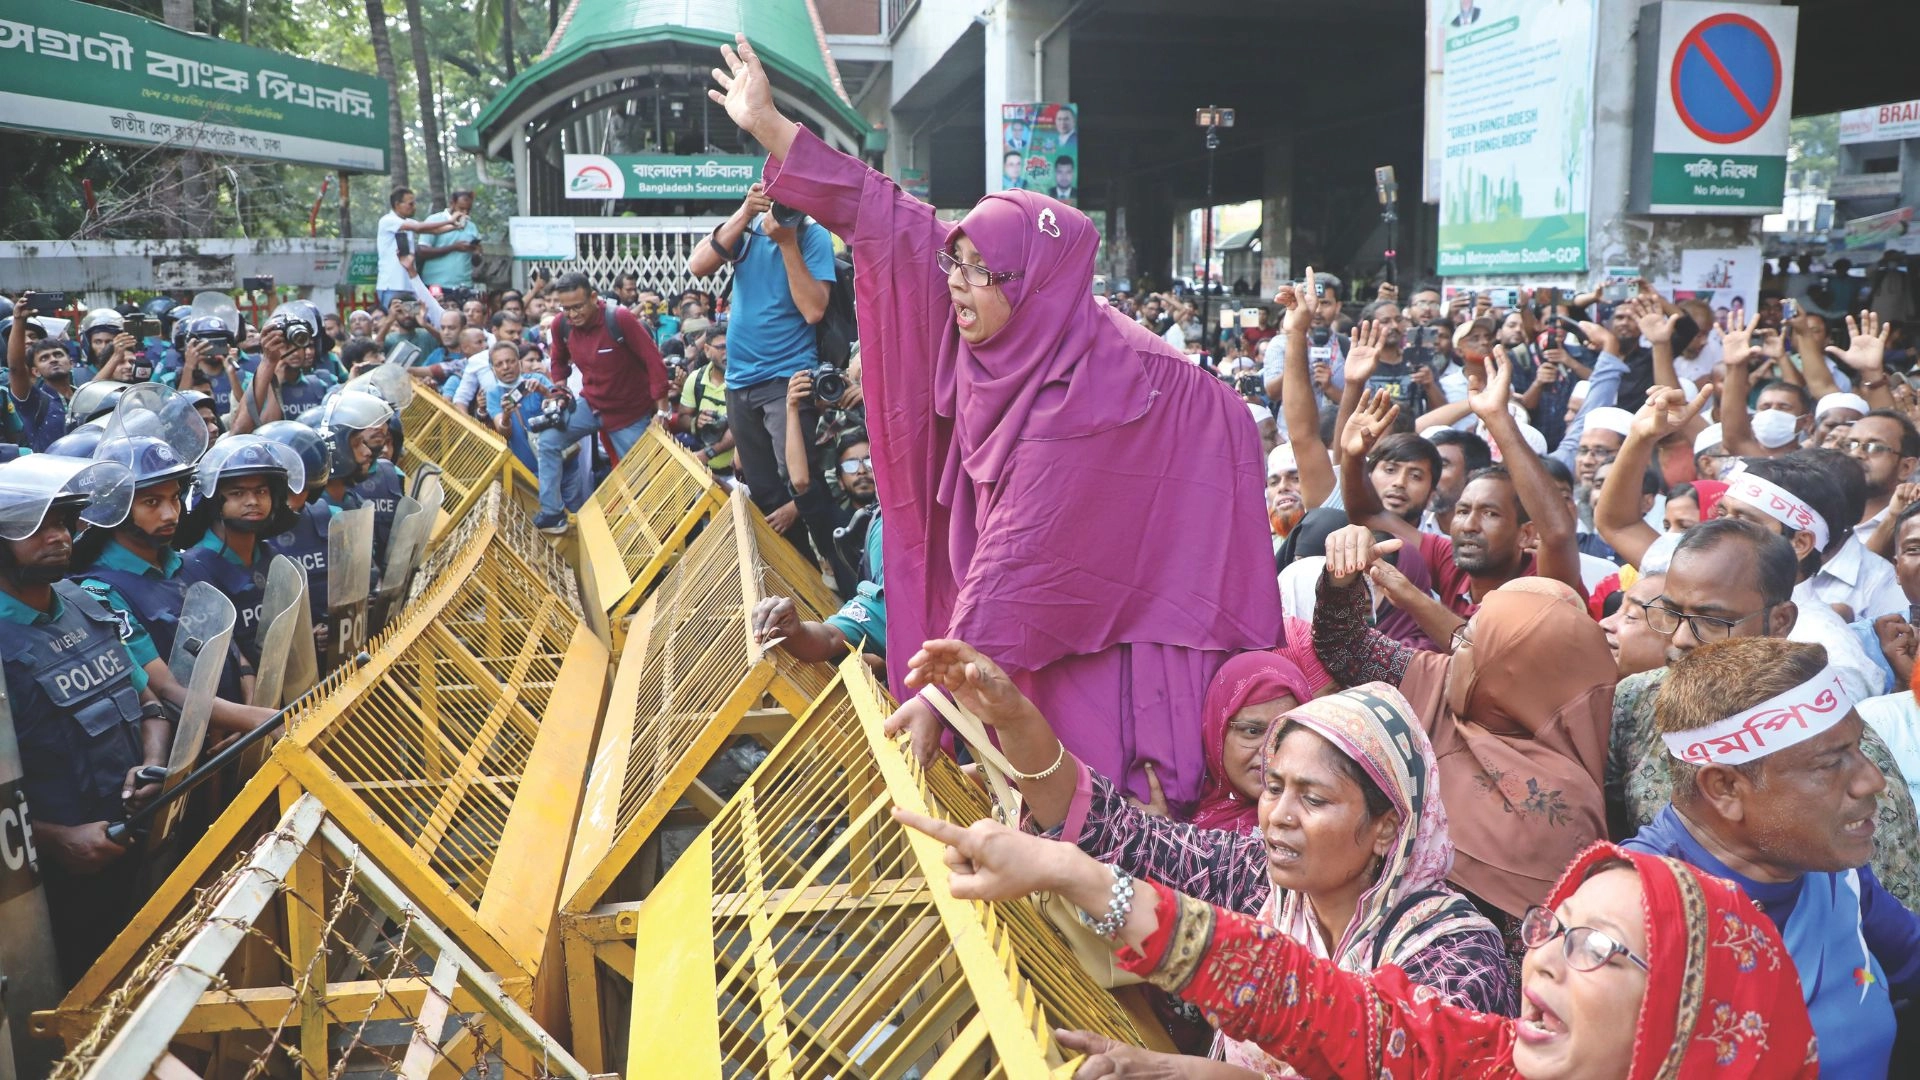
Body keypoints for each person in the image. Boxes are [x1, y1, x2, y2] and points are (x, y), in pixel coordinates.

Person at [712, 35, 1281, 813]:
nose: (958, 286)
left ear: (1040, 284)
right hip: (1017, 617)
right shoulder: (1000, 323)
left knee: (1092, 791)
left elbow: (1020, 559)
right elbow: (892, 220)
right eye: (958, 265)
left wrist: (945, 694)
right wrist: (771, 127)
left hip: (1113, 609)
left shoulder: (1084, 398)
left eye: (985, 273)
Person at [901, 641, 1513, 1061]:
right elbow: (1120, 833)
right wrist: (1014, 718)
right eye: (1274, 788)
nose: (1280, 816)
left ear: (1387, 827)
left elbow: (1366, 1050)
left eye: (1315, 799)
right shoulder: (1259, 877)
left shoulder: (1455, 954)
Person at [890, 813, 1817, 1079]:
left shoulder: (1447, 942)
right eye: (1554, 930)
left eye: (1598, 948)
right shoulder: (1483, 1061)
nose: (1541, 960)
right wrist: (1071, 871)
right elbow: (1307, 998)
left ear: (1691, 1023)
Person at [1626, 637, 1918, 1077]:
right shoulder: (1633, 920)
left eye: (1858, 749)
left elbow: (1910, 957)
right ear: (1724, 789)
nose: (1872, 781)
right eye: (1829, 764)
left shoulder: (1835, 872)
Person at [1603, 518, 1920, 908]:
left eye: (1712, 621)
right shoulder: (1637, 697)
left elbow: (1888, 928)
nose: (1681, 639)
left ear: (1780, 621)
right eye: (1671, 614)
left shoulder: (1843, 755)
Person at [1314, 525, 1614, 929]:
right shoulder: (1438, 685)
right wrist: (1342, 575)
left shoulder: (1567, 812)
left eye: (1471, 644)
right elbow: (1346, 647)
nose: (1453, 653)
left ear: (1512, 677)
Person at [0, 454, 172, 985]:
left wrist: (150, 764)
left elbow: (150, 706)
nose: (57, 536)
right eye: (35, 526)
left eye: (62, 521)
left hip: (136, 854)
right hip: (48, 896)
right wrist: (58, 839)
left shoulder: (85, 602)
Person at [686, 181, 843, 568]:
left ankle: (837, 567)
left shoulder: (812, 235)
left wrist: (787, 241)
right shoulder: (749, 228)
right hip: (740, 382)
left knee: (799, 481)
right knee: (763, 487)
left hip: (788, 378)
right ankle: (797, 570)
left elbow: (813, 311)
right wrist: (745, 212)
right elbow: (698, 265)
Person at [533, 272, 670, 534]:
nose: (572, 315)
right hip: (591, 403)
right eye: (566, 308)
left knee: (641, 477)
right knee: (548, 440)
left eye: (577, 307)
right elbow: (558, 361)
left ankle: (643, 537)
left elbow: (654, 363)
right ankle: (552, 513)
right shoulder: (560, 324)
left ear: (594, 298)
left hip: (629, 412)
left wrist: (662, 411)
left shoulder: (619, 319)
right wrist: (559, 389)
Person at [176, 436, 303, 665]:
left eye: (261, 492)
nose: (252, 501)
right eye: (237, 493)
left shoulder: (272, 557)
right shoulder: (193, 567)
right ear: (214, 502)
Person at [375, 187, 461, 310]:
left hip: (409, 285)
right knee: (394, 319)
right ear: (397, 205)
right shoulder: (388, 220)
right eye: (410, 204)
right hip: (392, 285)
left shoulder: (408, 222)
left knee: (411, 320)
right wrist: (450, 220)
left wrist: (455, 226)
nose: (414, 207)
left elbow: (435, 230)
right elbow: (419, 228)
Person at [673, 326, 735, 475]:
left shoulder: (744, 382)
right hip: (703, 471)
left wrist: (707, 454)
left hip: (737, 475)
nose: (727, 352)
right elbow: (682, 418)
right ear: (706, 350)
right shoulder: (695, 379)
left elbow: (741, 428)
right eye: (721, 347)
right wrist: (696, 422)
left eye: (731, 345)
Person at [415, 190, 482, 291]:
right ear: (452, 204)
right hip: (436, 285)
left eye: (468, 209)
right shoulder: (434, 220)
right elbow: (422, 251)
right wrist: (453, 247)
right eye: (461, 208)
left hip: (464, 284)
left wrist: (477, 252)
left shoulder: (472, 227)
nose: (465, 213)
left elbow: (476, 262)